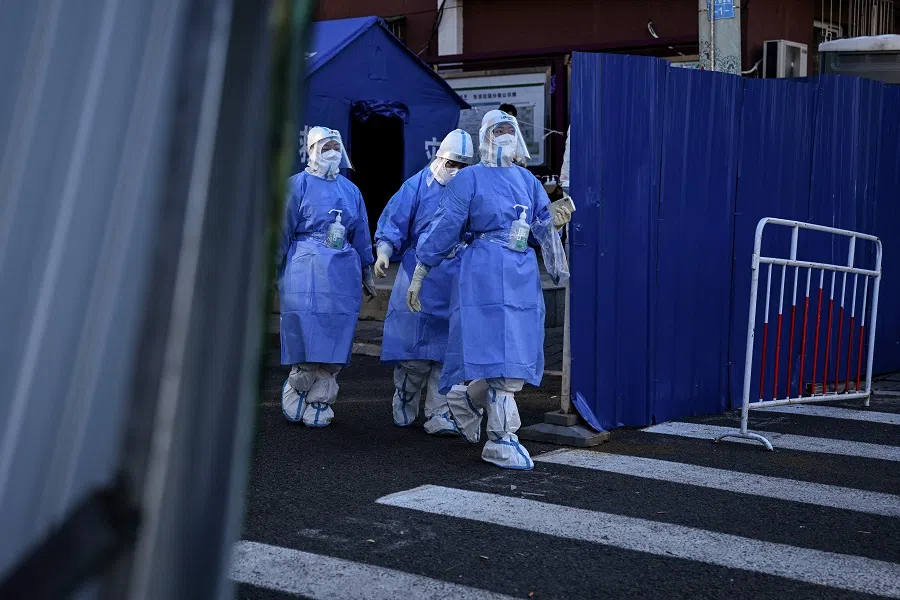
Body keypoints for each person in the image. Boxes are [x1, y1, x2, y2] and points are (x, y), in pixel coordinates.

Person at [407, 110, 572, 469]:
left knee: (515, 353)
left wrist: (555, 222)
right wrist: (421, 271)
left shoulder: (527, 180)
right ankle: (500, 437)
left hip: (521, 274)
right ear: (485, 136)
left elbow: (539, 226)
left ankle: (468, 398)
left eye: (510, 129)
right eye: (499, 130)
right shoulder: (468, 179)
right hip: (481, 272)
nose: (506, 135)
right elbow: (446, 226)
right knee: (495, 356)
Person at [373, 129, 475, 434]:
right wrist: (384, 251)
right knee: (414, 353)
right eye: (452, 164)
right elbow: (393, 222)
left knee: (447, 353)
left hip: (455, 274)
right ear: (440, 158)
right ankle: (406, 394)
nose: (456, 170)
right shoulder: (416, 185)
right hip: (418, 272)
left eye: (463, 166)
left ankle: (439, 412)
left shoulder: (471, 189)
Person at [276, 126, 375, 427]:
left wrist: (367, 269)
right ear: (311, 151)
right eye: (325, 147)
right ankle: (299, 382)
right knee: (304, 327)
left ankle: (322, 398)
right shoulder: (297, 185)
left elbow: (361, 232)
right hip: (304, 267)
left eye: (335, 147)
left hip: (342, 270)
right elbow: (282, 230)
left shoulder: (351, 190)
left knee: (336, 332)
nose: (332, 153)